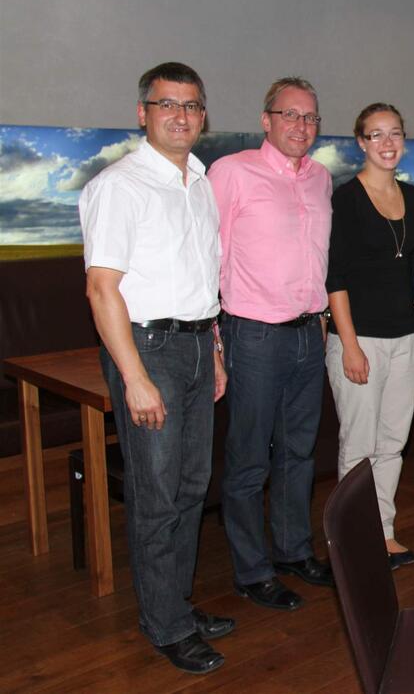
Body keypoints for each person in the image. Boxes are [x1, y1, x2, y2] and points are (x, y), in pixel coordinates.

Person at [80, 62, 234, 674]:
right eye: (167, 104)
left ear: (203, 115)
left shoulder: (197, 181)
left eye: (192, 105)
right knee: (157, 492)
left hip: (197, 344)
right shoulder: (120, 186)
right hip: (149, 351)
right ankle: (164, 624)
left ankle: (175, 603)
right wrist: (136, 376)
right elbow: (100, 290)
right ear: (142, 113)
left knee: (192, 487)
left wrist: (215, 348)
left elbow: (202, 279)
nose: (181, 115)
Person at [209, 77, 334, 611]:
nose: (300, 127)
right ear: (267, 120)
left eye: (310, 118)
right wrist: (215, 339)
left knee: (299, 452)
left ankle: (291, 549)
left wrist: (323, 316)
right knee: (248, 459)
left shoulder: (322, 178)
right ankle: (251, 569)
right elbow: (208, 256)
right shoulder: (231, 172)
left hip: (309, 332)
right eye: (290, 115)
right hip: (253, 334)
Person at [325, 103, 414, 570]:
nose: (387, 144)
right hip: (358, 340)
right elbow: (336, 277)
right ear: (361, 142)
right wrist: (348, 344)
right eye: (376, 135)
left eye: (395, 134)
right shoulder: (345, 198)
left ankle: (382, 532)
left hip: (407, 339)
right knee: (359, 445)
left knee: (392, 444)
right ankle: (353, 539)